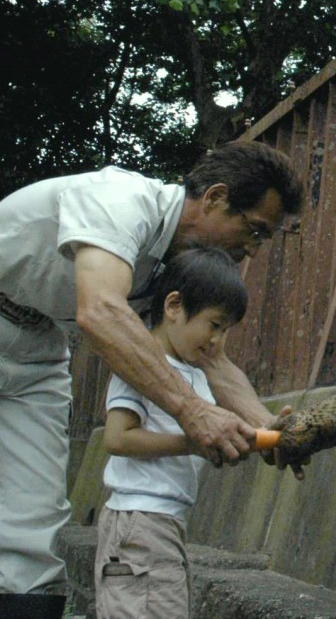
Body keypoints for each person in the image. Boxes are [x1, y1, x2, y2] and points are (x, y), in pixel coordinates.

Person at [0, 141, 304, 619]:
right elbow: (99, 310)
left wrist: (269, 428)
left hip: (39, 351)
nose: (253, 250)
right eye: (255, 231)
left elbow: (209, 358)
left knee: (34, 530)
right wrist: (193, 411)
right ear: (215, 197)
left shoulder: (176, 265)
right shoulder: (121, 199)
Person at [94, 247, 250, 619]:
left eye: (226, 331)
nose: (217, 341)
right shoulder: (141, 362)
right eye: (214, 325)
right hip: (140, 522)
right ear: (174, 306)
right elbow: (117, 438)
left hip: (164, 523)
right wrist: (191, 443)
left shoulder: (194, 373)